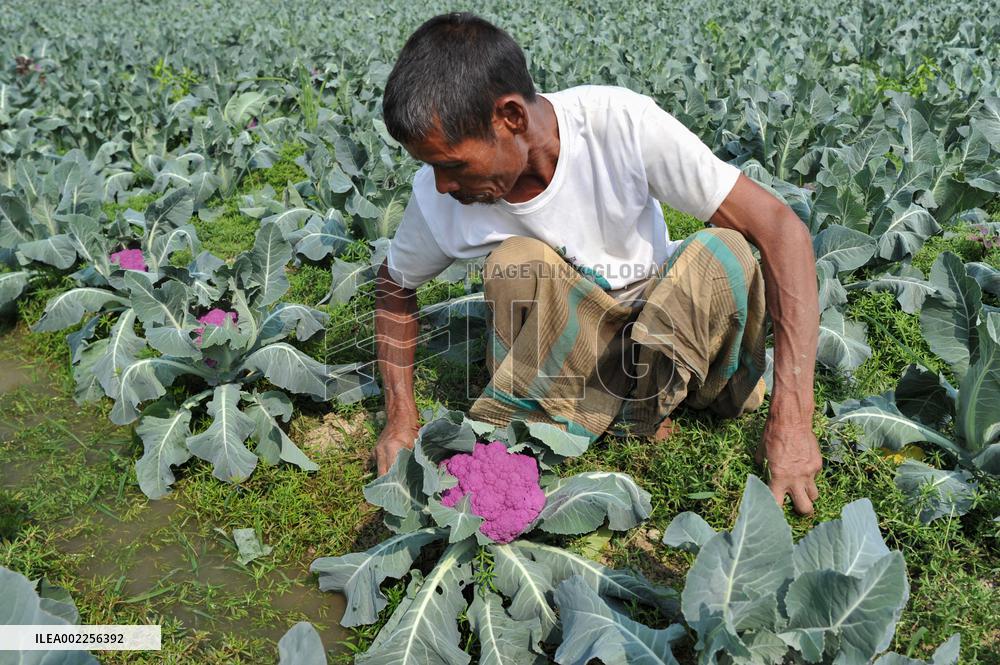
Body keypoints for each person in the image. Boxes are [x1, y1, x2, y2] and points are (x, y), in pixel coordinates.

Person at [371, 12, 822, 514]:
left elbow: (783, 231)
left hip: (668, 331)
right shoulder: (440, 202)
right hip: (577, 354)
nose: (442, 185)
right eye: (431, 167)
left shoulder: (619, 123)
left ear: (511, 119)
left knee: (726, 252)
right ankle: (598, 418)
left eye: (452, 164)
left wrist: (794, 419)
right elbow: (394, 286)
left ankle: (650, 402)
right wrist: (400, 419)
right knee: (515, 263)